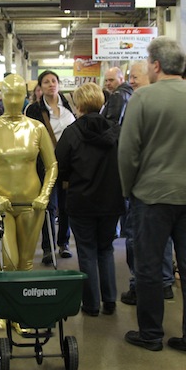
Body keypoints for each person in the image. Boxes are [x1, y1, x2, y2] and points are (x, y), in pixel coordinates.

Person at [119, 37, 186, 355]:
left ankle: (150, 333)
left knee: (149, 266)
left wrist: (128, 190)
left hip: (153, 196)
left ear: (156, 65)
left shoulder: (144, 98)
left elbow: (128, 152)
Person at [0, 74, 56, 273]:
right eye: (10, 95)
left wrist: (45, 194)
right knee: (8, 263)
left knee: (26, 264)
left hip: (32, 204)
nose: (15, 101)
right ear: (2, 96)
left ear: (25, 96)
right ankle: (6, 301)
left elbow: (52, 165)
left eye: (19, 96)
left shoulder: (37, 128)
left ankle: (22, 302)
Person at [55, 82, 124, 316]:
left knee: (86, 250)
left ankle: (92, 305)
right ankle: (110, 300)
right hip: (111, 201)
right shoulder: (116, 132)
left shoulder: (71, 133)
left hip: (81, 201)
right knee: (106, 249)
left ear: (78, 104)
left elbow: (60, 166)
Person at [120, 61, 175, 306]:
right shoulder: (175, 102)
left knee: (138, 238)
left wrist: (127, 186)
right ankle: (163, 283)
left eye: (135, 76)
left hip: (146, 186)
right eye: (129, 77)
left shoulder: (141, 102)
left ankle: (140, 287)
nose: (131, 81)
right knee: (162, 240)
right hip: (172, 186)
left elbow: (129, 150)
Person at [25, 70, 76, 264]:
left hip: (69, 165)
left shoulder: (69, 106)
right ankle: (48, 247)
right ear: (40, 87)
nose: (50, 84)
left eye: (53, 81)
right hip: (45, 165)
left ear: (59, 84)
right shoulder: (33, 110)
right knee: (48, 206)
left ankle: (64, 243)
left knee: (66, 206)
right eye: (46, 82)